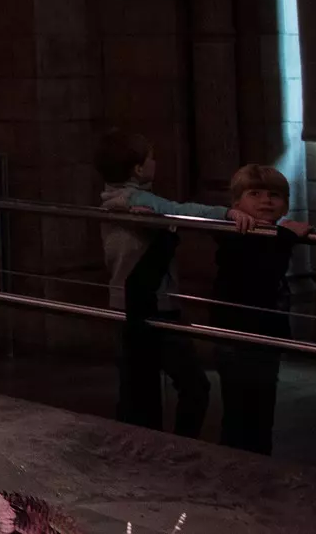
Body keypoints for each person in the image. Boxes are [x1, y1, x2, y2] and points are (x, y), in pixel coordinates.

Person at [95, 129, 252, 437]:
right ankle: (182, 447)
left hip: (123, 302)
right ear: (138, 169)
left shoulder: (111, 199)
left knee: (135, 385)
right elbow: (184, 211)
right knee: (194, 385)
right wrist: (227, 213)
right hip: (156, 304)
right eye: (151, 157)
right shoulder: (137, 200)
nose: (156, 162)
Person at [212, 163, 311, 455]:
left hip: (264, 335)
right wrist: (287, 237)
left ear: (285, 204)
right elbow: (265, 274)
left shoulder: (270, 236)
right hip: (238, 335)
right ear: (237, 203)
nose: (266, 201)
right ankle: (238, 465)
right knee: (240, 409)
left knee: (262, 406)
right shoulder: (236, 235)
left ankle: (257, 464)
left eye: (274, 195)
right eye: (254, 193)